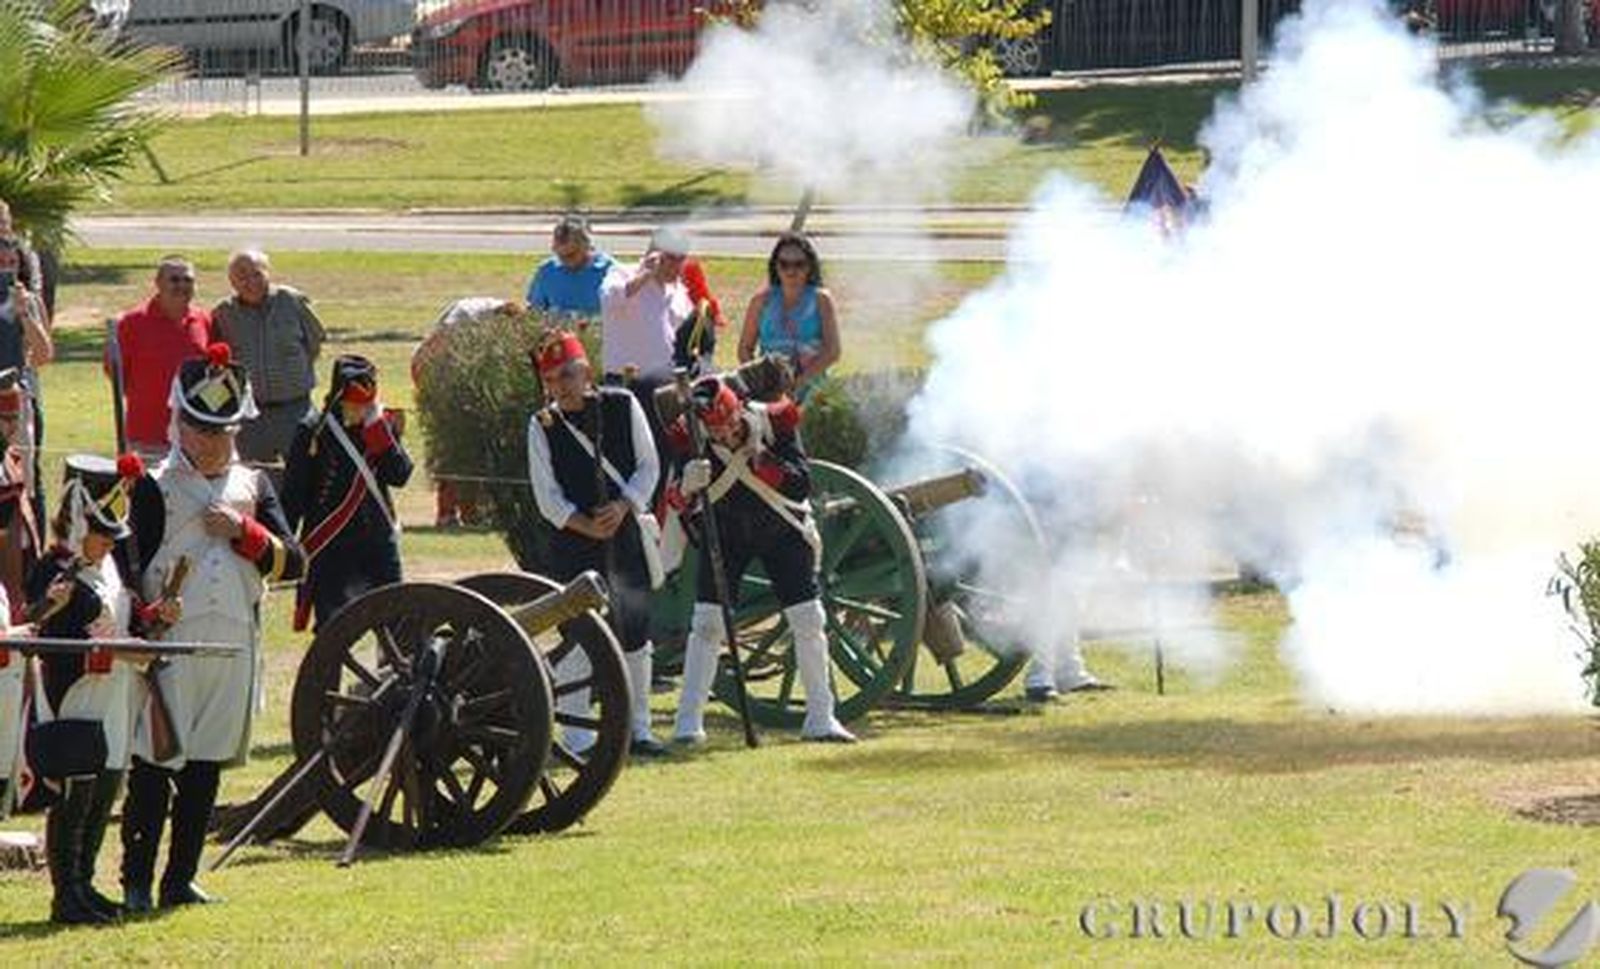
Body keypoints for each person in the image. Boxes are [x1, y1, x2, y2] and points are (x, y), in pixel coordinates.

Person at [120, 343, 306, 912]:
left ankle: (180, 879)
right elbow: (127, 574)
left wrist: (243, 533)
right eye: (202, 428)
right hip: (171, 647)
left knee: (204, 769)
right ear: (180, 424)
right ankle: (135, 882)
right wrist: (148, 617)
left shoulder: (253, 487)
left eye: (222, 430)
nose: (212, 441)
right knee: (155, 768)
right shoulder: (153, 487)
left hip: (231, 643)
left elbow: (294, 562)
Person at [27, 453, 177, 923]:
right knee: (76, 790)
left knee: (106, 787)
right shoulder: (53, 568)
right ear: (77, 521)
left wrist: (156, 618)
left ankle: (85, 883)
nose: (108, 542)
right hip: (76, 693)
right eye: (100, 531)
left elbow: (128, 615)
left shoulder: (111, 565)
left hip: (115, 691)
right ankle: (65, 892)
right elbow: (41, 623)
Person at [670, 376, 855, 744]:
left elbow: (802, 483)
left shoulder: (775, 422)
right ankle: (688, 723)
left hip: (781, 530)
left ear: (739, 409)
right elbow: (674, 503)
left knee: (807, 620)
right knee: (707, 624)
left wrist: (763, 462)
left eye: (730, 424)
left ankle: (821, 717)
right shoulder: (689, 437)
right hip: (724, 534)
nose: (725, 434)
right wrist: (687, 485)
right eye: (717, 429)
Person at [525, 330, 665, 756]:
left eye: (566, 374)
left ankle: (639, 729)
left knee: (636, 632)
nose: (560, 386)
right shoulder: (542, 424)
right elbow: (547, 496)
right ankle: (578, 733)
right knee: (578, 635)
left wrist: (624, 507)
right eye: (551, 379)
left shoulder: (621, 405)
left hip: (623, 533)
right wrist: (585, 524)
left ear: (585, 371)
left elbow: (648, 465)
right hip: (574, 541)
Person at [281, 354, 412, 631]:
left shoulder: (381, 424)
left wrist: (380, 437)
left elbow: (400, 475)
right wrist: (284, 544)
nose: (359, 409)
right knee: (333, 630)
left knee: (397, 621)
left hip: (377, 540)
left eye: (365, 403)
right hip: (331, 545)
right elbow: (294, 494)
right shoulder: (313, 430)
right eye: (354, 403)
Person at [209, 250, 327, 471]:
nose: (251, 282)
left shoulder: (291, 301)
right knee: (256, 481)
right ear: (231, 282)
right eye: (242, 276)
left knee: (307, 477)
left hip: (296, 410)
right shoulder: (223, 314)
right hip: (251, 417)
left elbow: (314, 343)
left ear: (268, 273)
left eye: (257, 274)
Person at [110, 255, 213, 461]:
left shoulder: (204, 320)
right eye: (174, 279)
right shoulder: (132, 322)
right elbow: (117, 376)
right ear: (157, 283)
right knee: (146, 493)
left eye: (188, 280)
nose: (181, 285)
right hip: (147, 436)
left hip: (194, 436)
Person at [0, 198, 54, 524]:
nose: (6, 256)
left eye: (9, 253)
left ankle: (26, 563)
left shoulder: (26, 295)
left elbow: (45, 354)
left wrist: (25, 315)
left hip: (16, 400)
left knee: (23, 483)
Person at [738, 233, 841, 402]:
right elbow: (745, 349)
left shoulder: (821, 299)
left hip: (813, 391)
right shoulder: (760, 301)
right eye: (784, 264)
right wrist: (760, 381)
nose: (791, 271)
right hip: (770, 392)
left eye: (799, 264)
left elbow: (833, 351)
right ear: (775, 267)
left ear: (809, 266)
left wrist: (798, 382)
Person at [598, 226, 694, 380]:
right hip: (626, 379)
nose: (677, 265)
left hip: (666, 378)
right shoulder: (622, 273)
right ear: (654, 254)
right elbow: (611, 299)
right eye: (671, 257)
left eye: (682, 258)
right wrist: (646, 274)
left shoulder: (679, 291)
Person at [526, 215, 615, 320]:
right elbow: (535, 311)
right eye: (560, 255)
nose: (566, 261)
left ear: (586, 245)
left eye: (571, 255)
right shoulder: (546, 271)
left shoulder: (609, 270)